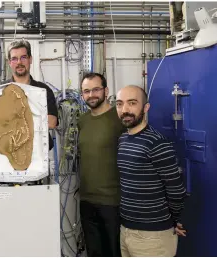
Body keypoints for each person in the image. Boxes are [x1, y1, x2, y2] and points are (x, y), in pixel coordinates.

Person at [116, 85, 186, 257]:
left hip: (153, 237)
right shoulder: (123, 140)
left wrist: (170, 221)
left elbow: (177, 190)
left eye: (132, 103)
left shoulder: (157, 143)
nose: (125, 110)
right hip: (126, 230)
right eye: (119, 104)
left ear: (146, 107)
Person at [78, 72, 124, 257]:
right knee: (94, 252)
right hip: (87, 200)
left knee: (115, 252)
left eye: (96, 89)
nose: (91, 95)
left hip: (114, 202)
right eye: (86, 91)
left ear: (106, 90)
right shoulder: (82, 120)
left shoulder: (119, 118)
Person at [0, 39, 58, 150]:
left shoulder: (43, 90)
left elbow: (51, 122)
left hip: (38, 153)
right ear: (9, 62)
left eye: (23, 57)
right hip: (8, 152)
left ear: (30, 59)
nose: (19, 62)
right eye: (14, 59)